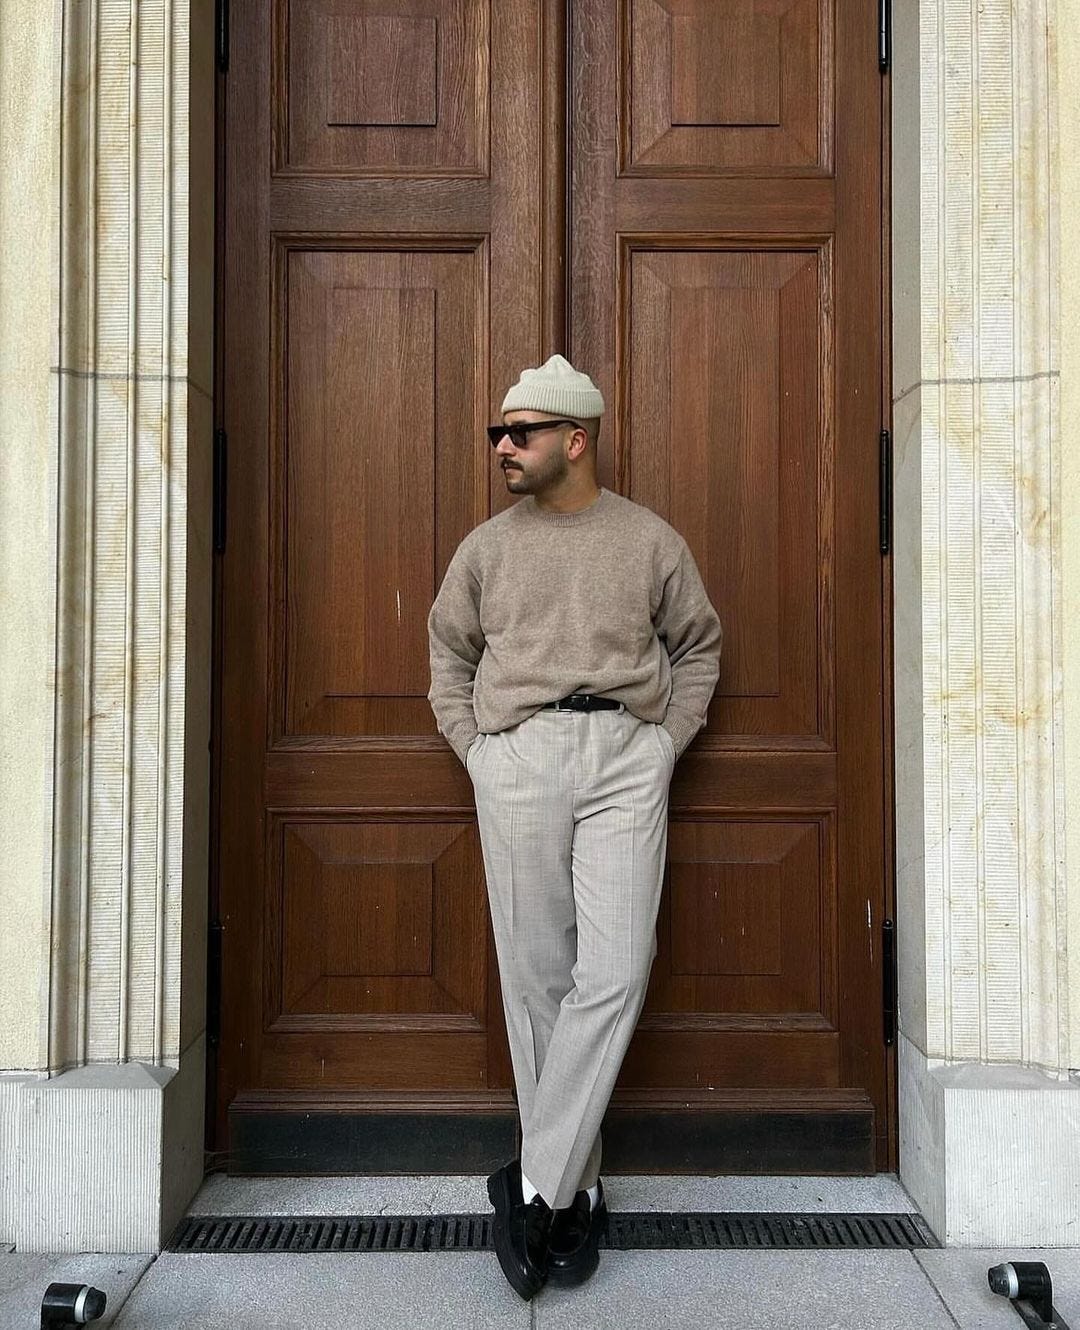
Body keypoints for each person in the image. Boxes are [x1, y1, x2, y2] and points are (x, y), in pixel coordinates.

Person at [426, 354, 723, 1299]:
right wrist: (479, 751)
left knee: (616, 971)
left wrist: (666, 742)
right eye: (496, 434)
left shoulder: (648, 541)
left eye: (520, 432)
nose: (502, 448)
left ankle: (533, 1184)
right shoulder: (485, 548)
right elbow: (447, 657)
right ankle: (579, 1196)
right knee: (537, 985)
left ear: (576, 439)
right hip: (519, 759)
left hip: (626, 759)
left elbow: (700, 646)